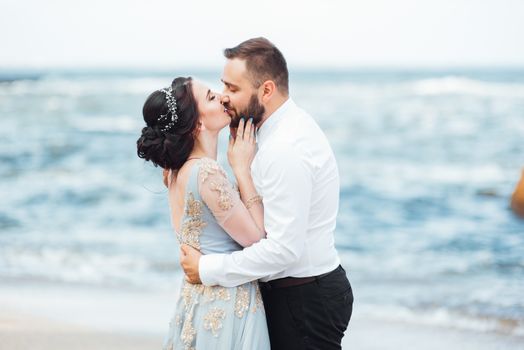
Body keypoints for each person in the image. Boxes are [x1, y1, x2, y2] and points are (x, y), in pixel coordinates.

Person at [180, 37, 353, 350]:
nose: (224, 98)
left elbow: (283, 250)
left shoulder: (284, 148)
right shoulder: (268, 131)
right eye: (223, 86)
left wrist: (207, 269)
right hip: (297, 293)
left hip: (303, 301)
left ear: (267, 90)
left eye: (233, 89)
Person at [137, 77, 270, 349]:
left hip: (197, 301)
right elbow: (257, 239)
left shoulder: (174, 172)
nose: (222, 97)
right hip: (228, 305)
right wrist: (242, 169)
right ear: (197, 124)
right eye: (211, 97)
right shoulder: (206, 172)